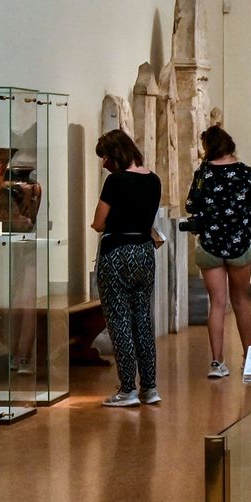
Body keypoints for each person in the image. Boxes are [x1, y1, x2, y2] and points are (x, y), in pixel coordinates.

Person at [185, 125, 251, 379]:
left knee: (217, 304)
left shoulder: (203, 173)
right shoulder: (245, 173)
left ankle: (217, 362)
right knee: (241, 302)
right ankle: (248, 359)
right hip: (239, 244)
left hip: (210, 244)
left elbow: (190, 204)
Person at [91, 129, 162, 408]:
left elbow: (99, 222)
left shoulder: (115, 181)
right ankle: (150, 387)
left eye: (105, 157)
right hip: (144, 252)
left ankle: (127, 389)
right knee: (142, 319)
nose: (104, 163)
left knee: (119, 321)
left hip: (116, 253)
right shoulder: (153, 180)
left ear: (116, 154)